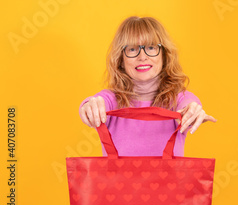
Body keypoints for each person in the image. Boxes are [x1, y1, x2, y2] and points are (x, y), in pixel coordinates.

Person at [79, 16, 216, 157]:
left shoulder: (178, 99)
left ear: (164, 55)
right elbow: (94, 102)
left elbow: (188, 105)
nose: (142, 57)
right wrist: (89, 106)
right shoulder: (111, 99)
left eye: (151, 47)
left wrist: (191, 111)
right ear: (121, 59)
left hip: (170, 180)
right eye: (132, 49)